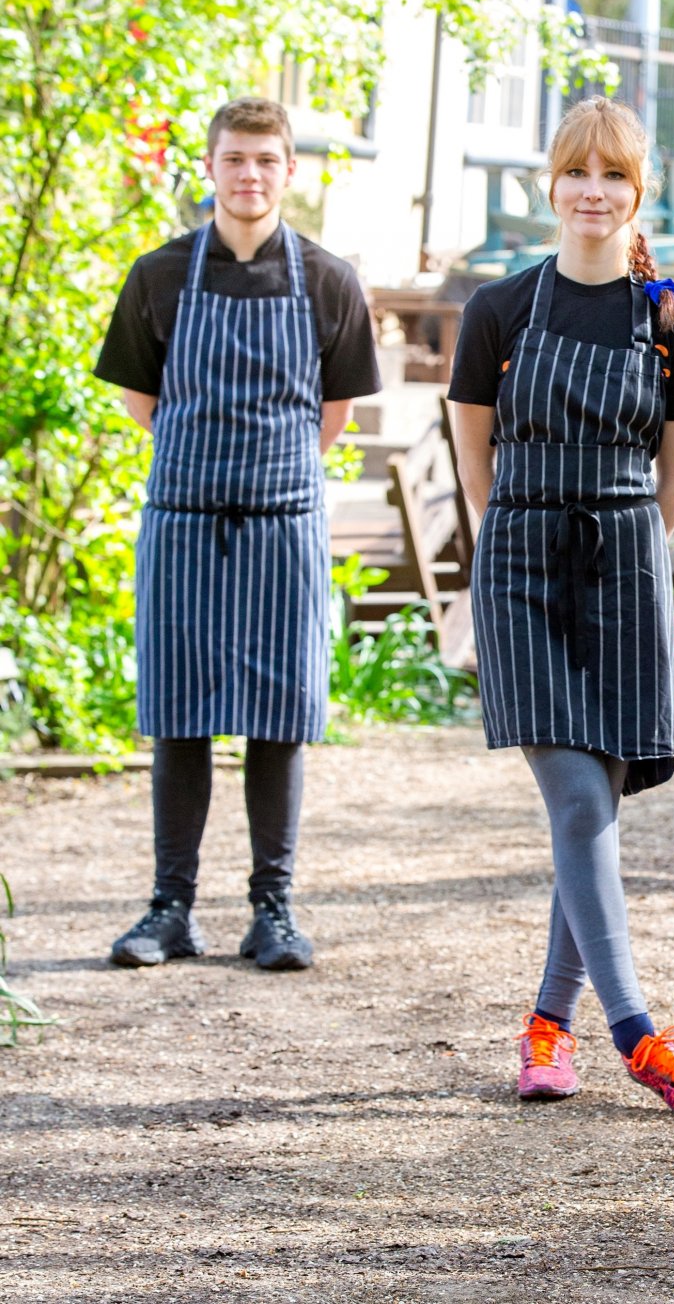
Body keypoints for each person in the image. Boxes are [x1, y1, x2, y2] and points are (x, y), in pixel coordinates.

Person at [447, 97, 674, 1117]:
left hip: (623, 565)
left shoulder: (671, 327)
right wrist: (503, 556)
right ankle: (636, 1035)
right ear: (551, 184)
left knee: (595, 814)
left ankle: (545, 1028)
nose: (592, 192)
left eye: (612, 175)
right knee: (577, 800)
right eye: (576, 172)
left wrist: (624, 548)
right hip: (522, 564)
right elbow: (473, 456)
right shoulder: (497, 310)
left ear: (637, 192)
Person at [95, 98, 381, 971]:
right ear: (210, 169)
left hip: (284, 524)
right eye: (234, 160)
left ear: (289, 171)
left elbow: (331, 414)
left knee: (278, 717)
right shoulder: (158, 275)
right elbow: (143, 402)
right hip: (182, 521)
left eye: (265, 159)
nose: (249, 175)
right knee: (179, 712)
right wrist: (207, 470)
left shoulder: (329, 280)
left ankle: (274, 910)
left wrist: (265, 475)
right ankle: (169, 909)